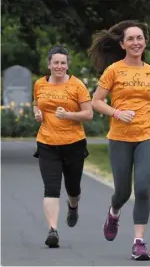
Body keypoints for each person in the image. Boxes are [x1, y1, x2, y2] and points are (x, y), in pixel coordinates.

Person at [89, 20, 150, 261]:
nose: (136, 42)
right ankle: (114, 212)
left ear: (145, 42)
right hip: (120, 137)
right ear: (123, 44)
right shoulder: (113, 70)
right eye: (131, 39)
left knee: (143, 188)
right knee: (123, 191)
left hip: (147, 135)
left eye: (140, 38)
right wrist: (117, 113)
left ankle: (138, 243)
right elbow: (96, 101)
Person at [33, 45, 93, 248]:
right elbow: (37, 103)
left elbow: (89, 114)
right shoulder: (40, 84)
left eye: (63, 63)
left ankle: (73, 206)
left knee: (73, 188)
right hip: (47, 143)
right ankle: (53, 230)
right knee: (51, 188)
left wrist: (68, 115)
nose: (59, 66)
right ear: (49, 64)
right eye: (56, 62)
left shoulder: (77, 85)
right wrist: (37, 114)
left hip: (73, 143)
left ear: (68, 65)